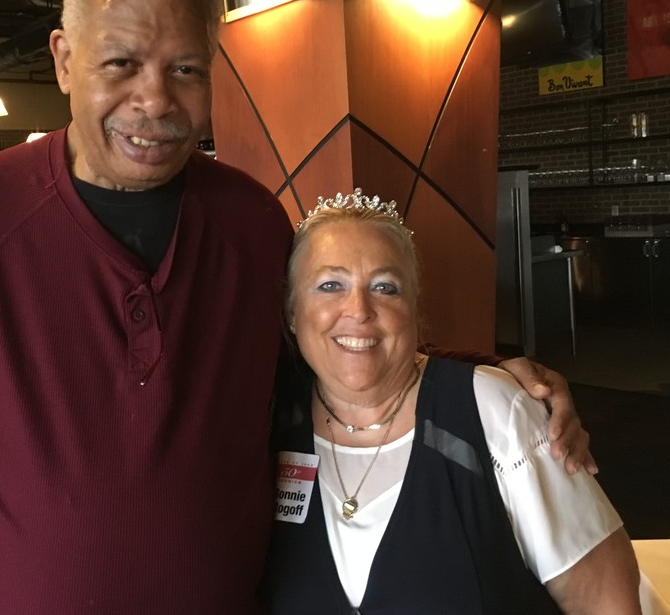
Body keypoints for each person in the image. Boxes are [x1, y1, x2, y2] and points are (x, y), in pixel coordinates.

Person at [0, 0, 593, 614]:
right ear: (64, 59)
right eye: (121, 64)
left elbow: (318, 364)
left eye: (185, 69)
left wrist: (485, 378)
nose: (155, 100)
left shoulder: (248, 222)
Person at [263, 189, 641, 614]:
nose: (359, 310)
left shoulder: (492, 411)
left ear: (415, 310)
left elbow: (606, 600)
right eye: (330, 285)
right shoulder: (268, 419)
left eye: (385, 287)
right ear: (292, 312)